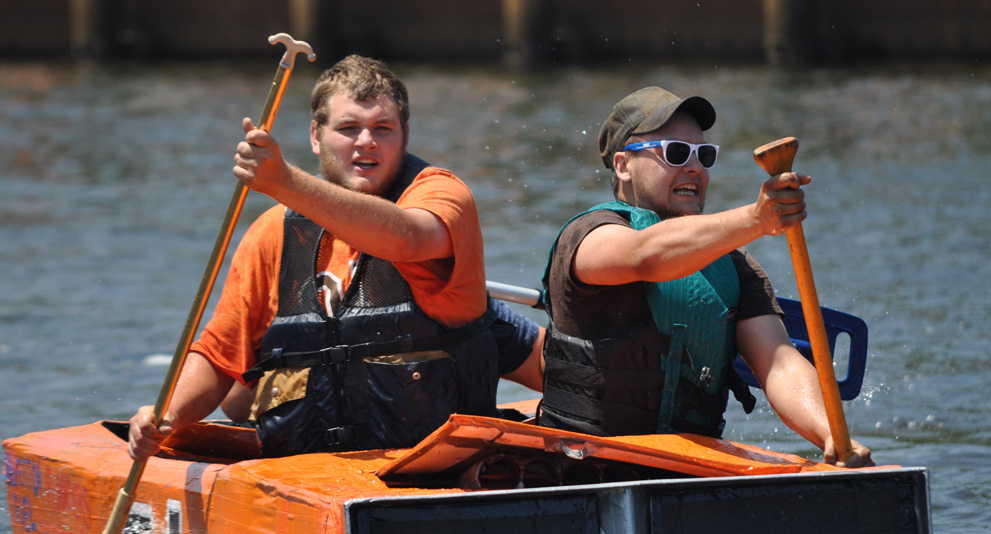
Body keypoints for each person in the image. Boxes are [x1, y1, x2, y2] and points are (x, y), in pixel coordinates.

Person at [129, 55, 543, 460]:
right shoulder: (273, 232)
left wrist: (285, 181)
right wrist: (167, 416)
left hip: (432, 466)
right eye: (348, 128)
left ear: (405, 134)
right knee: (241, 396)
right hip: (307, 471)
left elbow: (408, 239)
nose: (367, 141)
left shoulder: (442, 194)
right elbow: (220, 356)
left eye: (383, 128)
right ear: (315, 136)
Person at [538, 86, 871, 467]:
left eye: (704, 154)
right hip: (578, 465)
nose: (694, 167)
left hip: (686, 470)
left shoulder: (735, 265)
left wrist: (829, 432)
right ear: (623, 165)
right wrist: (755, 219)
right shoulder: (589, 235)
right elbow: (646, 255)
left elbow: (780, 363)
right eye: (675, 152)